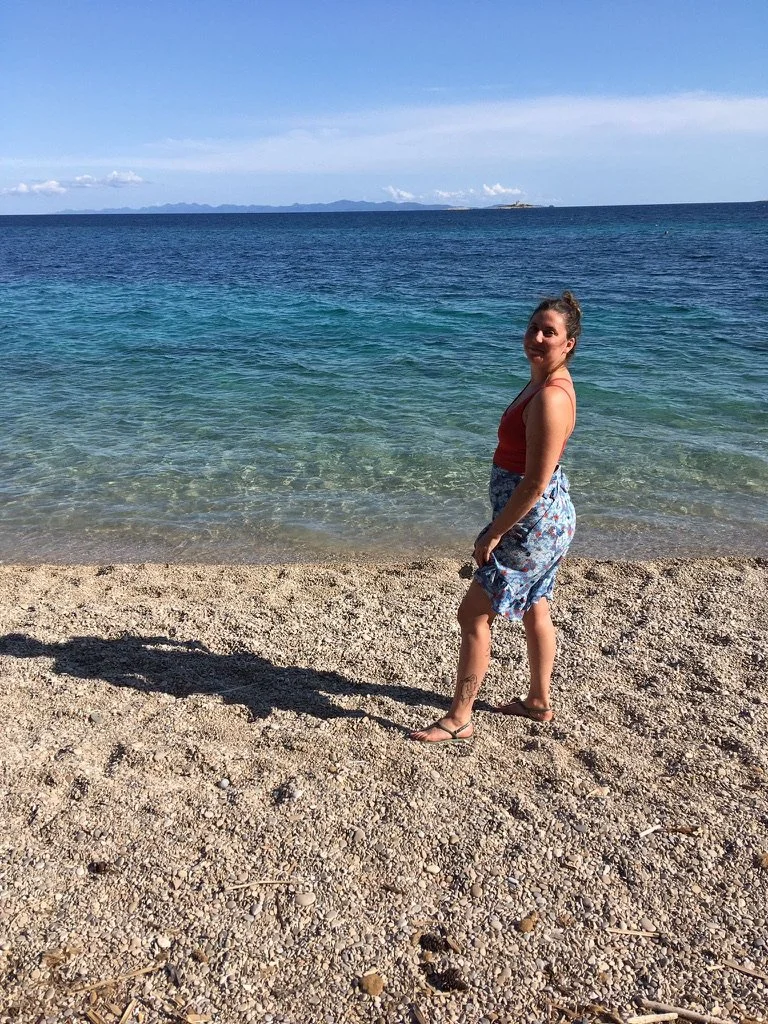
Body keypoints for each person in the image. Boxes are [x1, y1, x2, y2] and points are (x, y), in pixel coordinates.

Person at [411, 292, 580, 742]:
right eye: (533, 328)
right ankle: (538, 701)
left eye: (550, 332)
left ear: (569, 344)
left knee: (472, 615)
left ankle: (459, 717)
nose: (537, 338)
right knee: (534, 604)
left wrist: (494, 531)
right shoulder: (541, 384)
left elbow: (534, 483)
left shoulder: (550, 398)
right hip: (542, 519)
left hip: (532, 523)